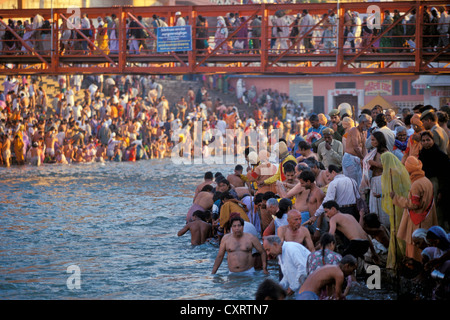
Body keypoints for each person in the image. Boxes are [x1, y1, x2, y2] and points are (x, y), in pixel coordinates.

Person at [391, 156, 438, 263]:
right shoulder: (426, 180)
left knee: (415, 246)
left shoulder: (416, 184)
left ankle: (415, 267)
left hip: (417, 220)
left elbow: (414, 205)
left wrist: (396, 198)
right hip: (426, 218)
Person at [380, 152, 410, 270]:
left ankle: (401, 258)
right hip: (396, 206)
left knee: (398, 231)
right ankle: (396, 259)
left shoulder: (394, 173)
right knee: (394, 231)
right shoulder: (389, 173)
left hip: (399, 206)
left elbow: (400, 189)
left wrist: (394, 197)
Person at [342, 114, 371, 188]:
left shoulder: (365, 131)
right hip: (350, 158)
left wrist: (365, 158)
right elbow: (356, 147)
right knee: (352, 183)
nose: (370, 126)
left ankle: (358, 199)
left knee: (359, 183)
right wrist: (363, 158)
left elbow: (364, 147)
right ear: (363, 123)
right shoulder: (354, 130)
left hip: (358, 158)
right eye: (368, 124)